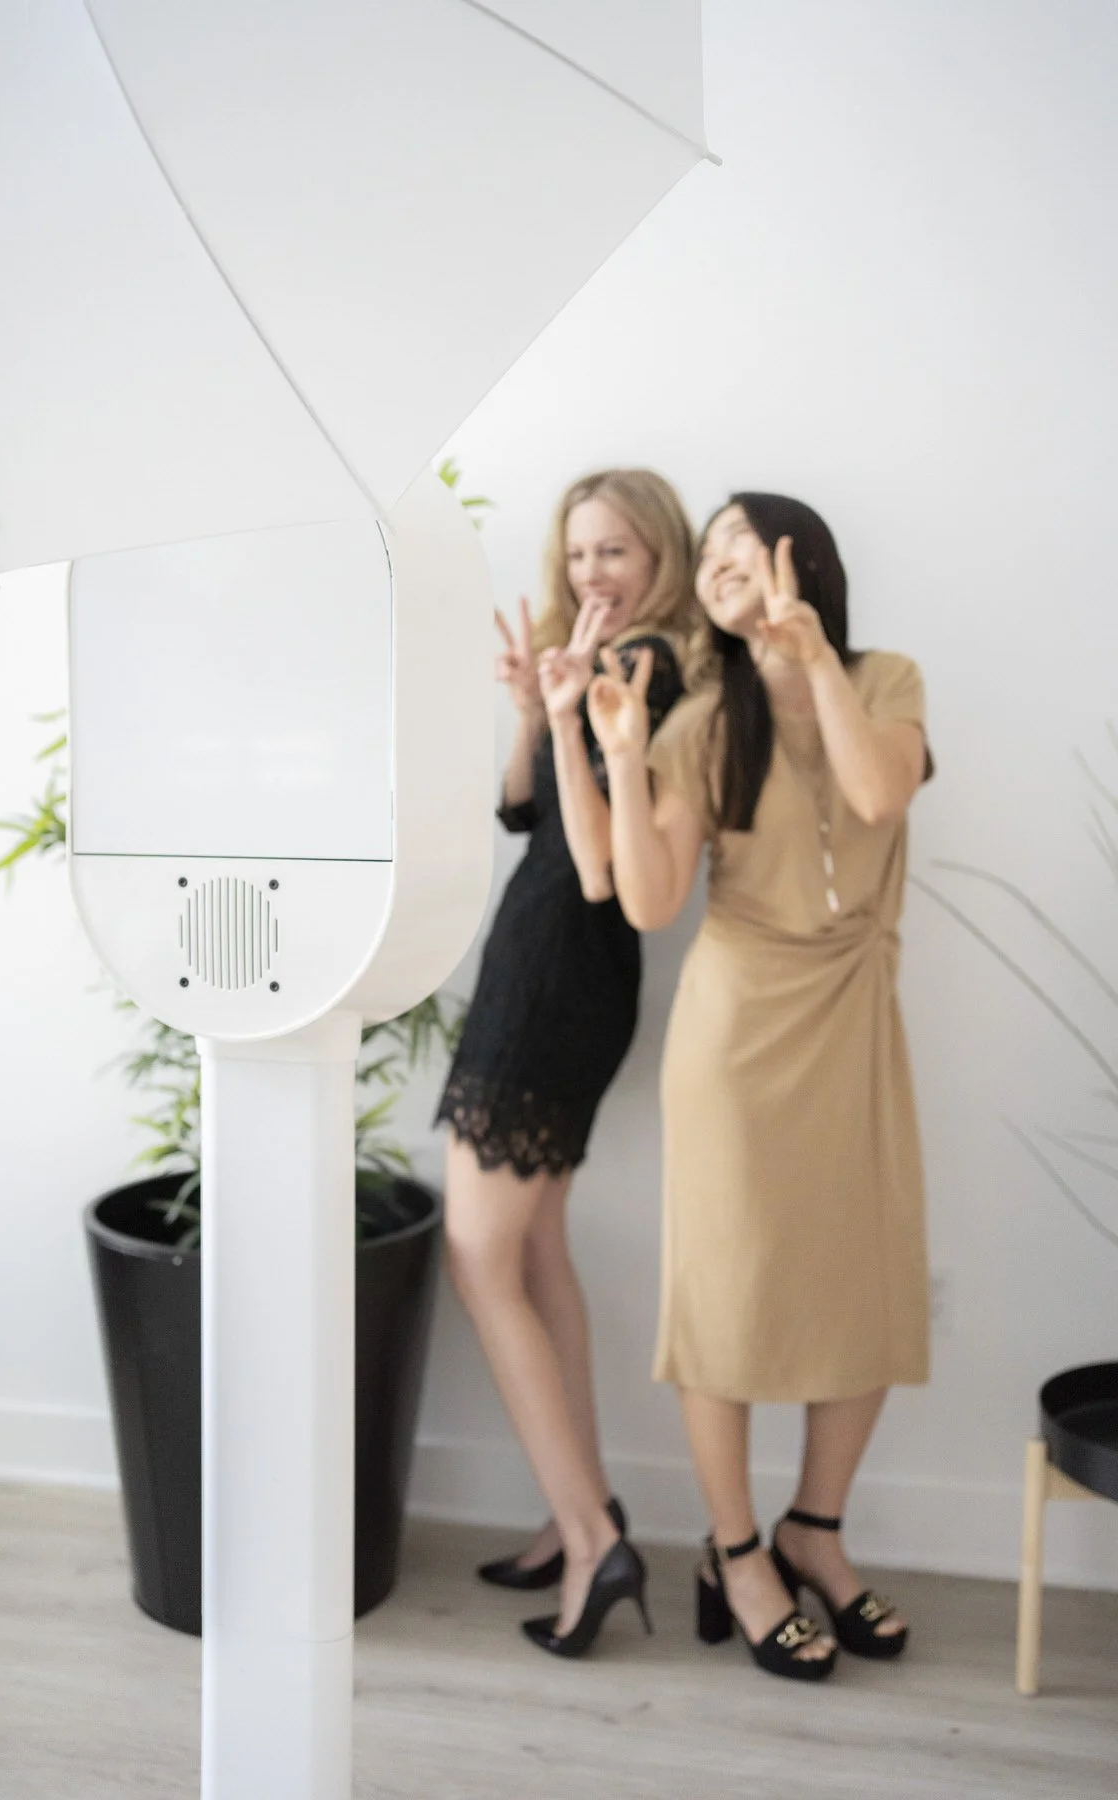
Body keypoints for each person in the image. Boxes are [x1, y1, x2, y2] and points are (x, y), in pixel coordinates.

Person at [587, 492, 932, 1681]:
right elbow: (646, 902)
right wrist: (627, 761)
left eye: (744, 539)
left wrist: (812, 659)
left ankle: (815, 1535)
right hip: (735, 1040)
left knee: (867, 1283)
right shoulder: (698, 726)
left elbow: (880, 793)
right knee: (728, 1299)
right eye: (715, 548)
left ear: (804, 559)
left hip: (854, 1022)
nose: (722, 561)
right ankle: (735, 1555)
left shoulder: (885, 679)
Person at [435, 469, 697, 1658]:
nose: (595, 572)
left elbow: (599, 861)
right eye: (580, 552)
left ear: (662, 556)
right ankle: (576, 1512)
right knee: (533, 1250)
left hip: (556, 977)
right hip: (559, 970)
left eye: (618, 551)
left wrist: (577, 695)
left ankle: (595, 1539)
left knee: (478, 1254)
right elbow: (522, 817)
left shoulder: (648, 665)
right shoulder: (604, 660)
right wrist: (535, 708)